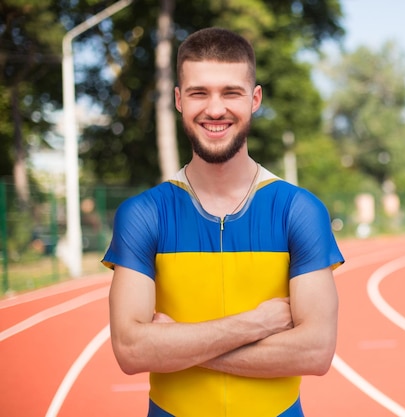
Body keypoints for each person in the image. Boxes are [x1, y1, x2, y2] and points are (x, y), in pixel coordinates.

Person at [103, 27, 344, 417]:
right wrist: (256, 323)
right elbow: (131, 351)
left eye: (231, 92)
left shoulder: (299, 210)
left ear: (255, 99)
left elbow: (316, 351)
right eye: (199, 93)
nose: (215, 109)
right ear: (180, 100)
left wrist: (173, 345)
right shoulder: (143, 214)